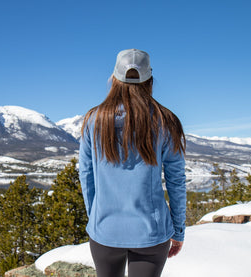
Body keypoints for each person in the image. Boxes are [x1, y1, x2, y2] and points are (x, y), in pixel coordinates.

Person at [79, 49, 186, 277]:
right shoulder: (166, 121)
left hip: (105, 232)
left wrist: (96, 218)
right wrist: (178, 230)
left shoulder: (93, 120)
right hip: (151, 234)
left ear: (114, 78)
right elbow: (176, 181)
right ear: (150, 79)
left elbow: (86, 175)